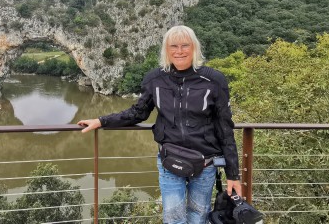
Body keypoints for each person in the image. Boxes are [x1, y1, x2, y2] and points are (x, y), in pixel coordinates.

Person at [77, 25, 242, 224]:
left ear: (194, 48)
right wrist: (102, 121)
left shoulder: (214, 80)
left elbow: (225, 128)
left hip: (205, 164)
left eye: (185, 45)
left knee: (199, 217)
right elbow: (138, 112)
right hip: (169, 161)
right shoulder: (155, 79)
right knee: (173, 219)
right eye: (173, 46)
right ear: (166, 50)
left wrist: (233, 174)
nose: (179, 51)